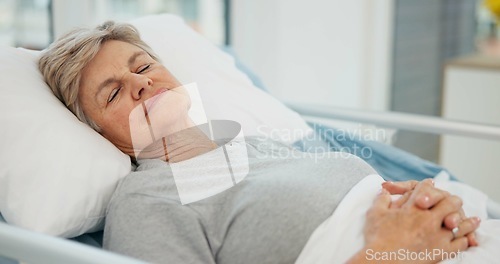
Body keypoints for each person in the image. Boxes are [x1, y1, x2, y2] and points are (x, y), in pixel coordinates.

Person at [38, 21, 480, 264]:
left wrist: (431, 205)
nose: (140, 83)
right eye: (112, 93)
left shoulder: (256, 145)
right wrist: (389, 254)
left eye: (143, 65)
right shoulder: (147, 201)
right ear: (99, 134)